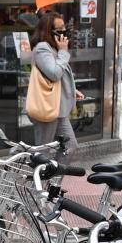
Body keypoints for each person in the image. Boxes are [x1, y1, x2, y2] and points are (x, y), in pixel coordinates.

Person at [30, 11, 83, 150]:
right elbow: (54, 73)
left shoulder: (53, 48)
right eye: (59, 29)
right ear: (48, 30)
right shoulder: (42, 48)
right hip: (48, 107)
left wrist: (72, 89)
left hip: (57, 108)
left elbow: (57, 76)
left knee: (71, 148)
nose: (64, 32)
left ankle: (54, 171)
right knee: (43, 151)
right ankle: (36, 169)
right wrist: (64, 52)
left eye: (64, 27)